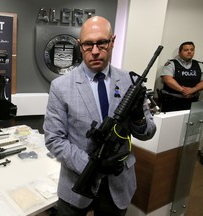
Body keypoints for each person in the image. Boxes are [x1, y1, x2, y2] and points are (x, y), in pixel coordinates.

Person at [43, 16, 156, 216]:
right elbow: (54, 139)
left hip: (119, 181)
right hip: (76, 182)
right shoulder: (61, 87)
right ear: (79, 45)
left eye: (102, 43)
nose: (95, 51)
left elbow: (147, 132)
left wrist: (139, 117)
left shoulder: (131, 81)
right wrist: (91, 164)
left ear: (112, 41)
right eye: (88, 44)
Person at [159, 41, 203, 112]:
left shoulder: (200, 65)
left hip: (192, 102)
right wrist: (183, 90)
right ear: (179, 52)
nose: (189, 52)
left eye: (192, 50)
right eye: (186, 50)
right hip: (172, 103)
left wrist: (193, 90)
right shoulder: (171, 64)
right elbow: (168, 79)